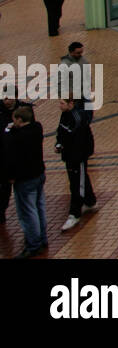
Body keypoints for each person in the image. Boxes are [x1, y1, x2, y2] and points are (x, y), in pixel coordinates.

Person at [5, 105, 48, 257]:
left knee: (27, 212)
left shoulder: (16, 137)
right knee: (39, 207)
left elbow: (10, 155)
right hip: (39, 174)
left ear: (19, 120)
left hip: (24, 179)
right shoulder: (37, 128)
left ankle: (33, 244)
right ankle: (43, 238)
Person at [55, 97, 96, 231]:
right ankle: (90, 202)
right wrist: (59, 143)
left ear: (71, 104)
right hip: (69, 155)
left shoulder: (78, 119)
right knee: (80, 178)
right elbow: (61, 131)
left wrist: (77, 158)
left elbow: (79, 141)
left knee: (76, 184)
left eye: (62, 103)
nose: (59, 105)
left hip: (77, 156)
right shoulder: (65, 114)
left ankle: (74, 213)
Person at [0, 90, 33, 225]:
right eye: (4, 98)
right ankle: (1, 211)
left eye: (9, 97)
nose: (6, 100)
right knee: (3, 188)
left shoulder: (25, 109)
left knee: (24, 195)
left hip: (18, 158)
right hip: (3, 155)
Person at [59, 41, 93, 120]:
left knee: (89, 112)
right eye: (78, 53)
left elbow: (88, 75)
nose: (80, 54)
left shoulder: (84, 61)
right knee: (75, 115)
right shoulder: (64, 65)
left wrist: (90, 86)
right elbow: (60, 82)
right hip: (73, 97)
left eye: (81, 52)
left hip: (84, 93)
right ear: (71, 52)